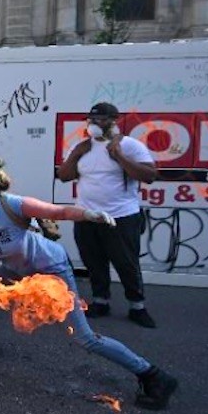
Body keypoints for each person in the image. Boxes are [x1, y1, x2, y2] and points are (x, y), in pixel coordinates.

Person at [0, 157, 178, 410]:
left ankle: (153, 376)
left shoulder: (13, 205)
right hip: (16, 270)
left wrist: (89, 214)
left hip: (51, 271)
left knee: (84, 338)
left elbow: (59, 211)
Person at [57, 102, 158, 328]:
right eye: (92, 120)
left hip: (121, 216)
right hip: (87, 215)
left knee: (126, 263)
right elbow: (64, 176)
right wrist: (74, 154)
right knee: (94, 261)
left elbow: (150, 175)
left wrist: (119, 156)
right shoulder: (81, 147)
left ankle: (137, 307)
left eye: (101, 120)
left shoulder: (130, 146)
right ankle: (100, 301)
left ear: (115, 121)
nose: (95, 124)